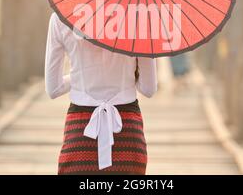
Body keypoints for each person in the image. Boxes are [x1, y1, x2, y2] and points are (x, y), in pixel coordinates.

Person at [45, 12, 158, 174]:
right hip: (128, 133)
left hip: (79, 133)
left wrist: (80, 77)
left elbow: (53, 88)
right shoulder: (140, 18)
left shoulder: (61, 17)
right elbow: (148, 88)